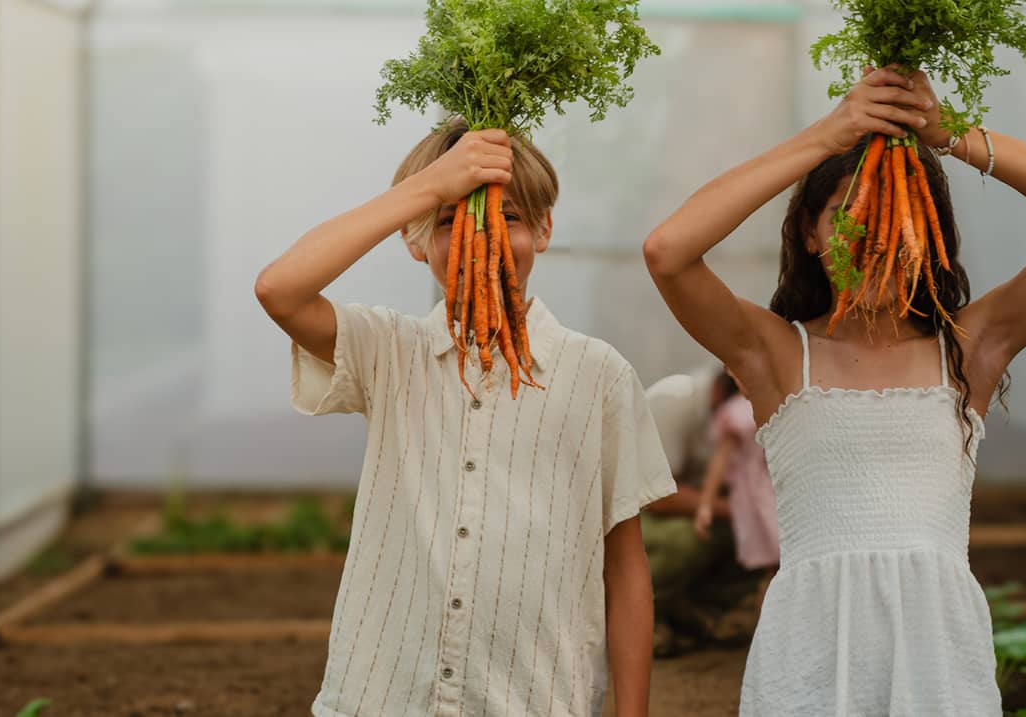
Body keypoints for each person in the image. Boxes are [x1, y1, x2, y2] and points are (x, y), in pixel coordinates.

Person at [643, 66, 1026, 713]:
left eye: (894, 215)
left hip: (940, 669)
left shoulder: (966, 350)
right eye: (847, 215)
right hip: (808, 668)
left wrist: (950, 133)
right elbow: (667, 250)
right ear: (811, 234)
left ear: (926, 230)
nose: (870, 236)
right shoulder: (780, 355)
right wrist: (825, 136)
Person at [255, 117, 675, 717]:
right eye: (452, 223)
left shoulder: (599, 375)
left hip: (534, 698)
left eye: (508, 220)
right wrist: (428, 188)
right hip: (381, 698)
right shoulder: (388, 351)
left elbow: (625, 566)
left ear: (546, 229)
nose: (484, 240)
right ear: (414, 239)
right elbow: (279, 289)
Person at [641, 369, 763, 654]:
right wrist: (738, 510)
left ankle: (692, 611)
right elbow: (657, 499)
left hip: (698, 508)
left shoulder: (735, 415)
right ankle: (644, 615)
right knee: (689, 538)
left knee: (762, 537)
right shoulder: (674, 401)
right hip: (637, 521)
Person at [695, 377, 779, 610]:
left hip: (774, 488)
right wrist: (705, 504)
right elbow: (719, 461)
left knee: (780, 567)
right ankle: (770, 626)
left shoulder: (771, 400)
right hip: (759, 493)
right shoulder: (738, 412)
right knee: (777, 566)